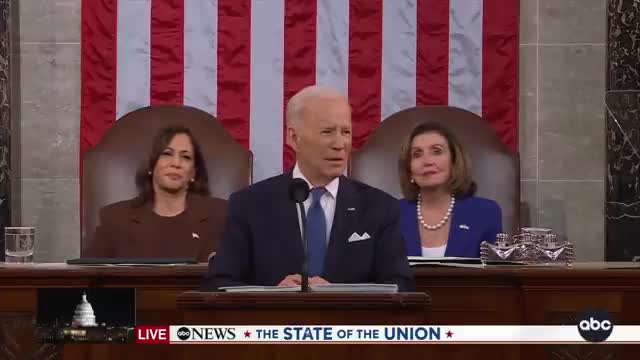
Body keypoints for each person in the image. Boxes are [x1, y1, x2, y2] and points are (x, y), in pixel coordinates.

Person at [206, 85, 414, 291]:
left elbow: (401, 286)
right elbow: (218, 284)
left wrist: (341, 294)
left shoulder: (379, 207)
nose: (340, 144)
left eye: (346, 132)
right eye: (327, 132)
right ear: (294, 138)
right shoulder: (249, 205)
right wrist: (271, 295)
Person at [84, 126, 227, 262]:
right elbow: (86, 276)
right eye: (167, 154)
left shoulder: (221, 215)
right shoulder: (116, 218)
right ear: (151, 165)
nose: (176, 163)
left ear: (193, 173)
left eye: (186, 157)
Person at [398, 121, 502, 258]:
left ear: (454, 162)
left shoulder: (486, 212)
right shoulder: (391, 214)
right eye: (417, 154)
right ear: (409, 169)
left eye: (436, 151)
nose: (427, 161)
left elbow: (497, 275)